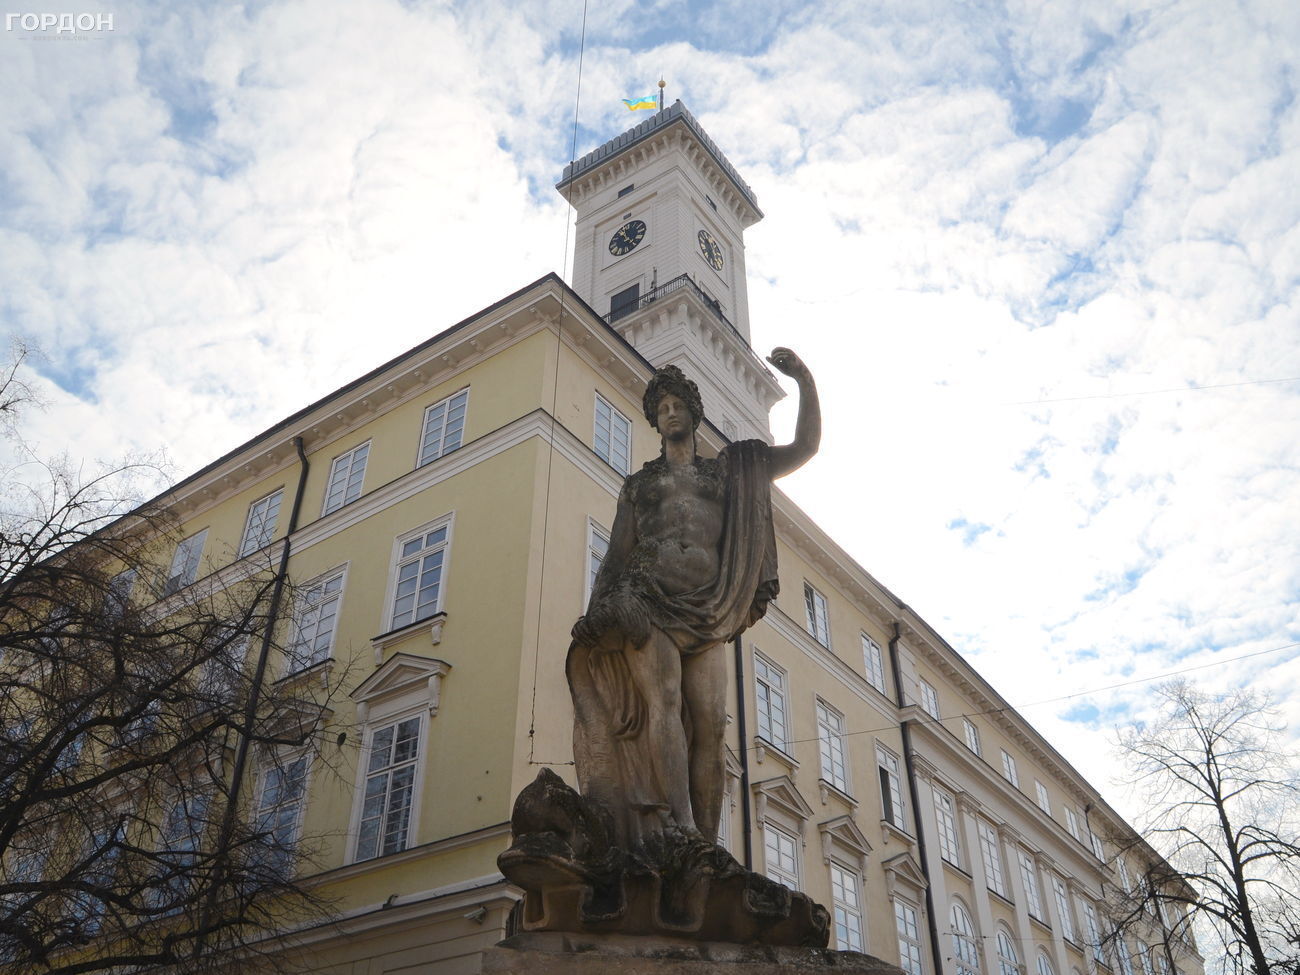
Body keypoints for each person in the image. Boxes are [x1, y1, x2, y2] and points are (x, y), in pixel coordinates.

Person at [566, 349, 820, 848]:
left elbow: (805, 447)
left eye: (678, 405)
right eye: (662, 409)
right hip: (647, 600)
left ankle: (705, 841)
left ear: (693, 412)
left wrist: (804, 380)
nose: (671, 414)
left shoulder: (726, 474)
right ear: (655, 421)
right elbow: (617, 554)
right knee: (662, 703)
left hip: (709, 608)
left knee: (710, 725)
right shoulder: (640, 484)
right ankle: (680, 826)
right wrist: (598, 611)